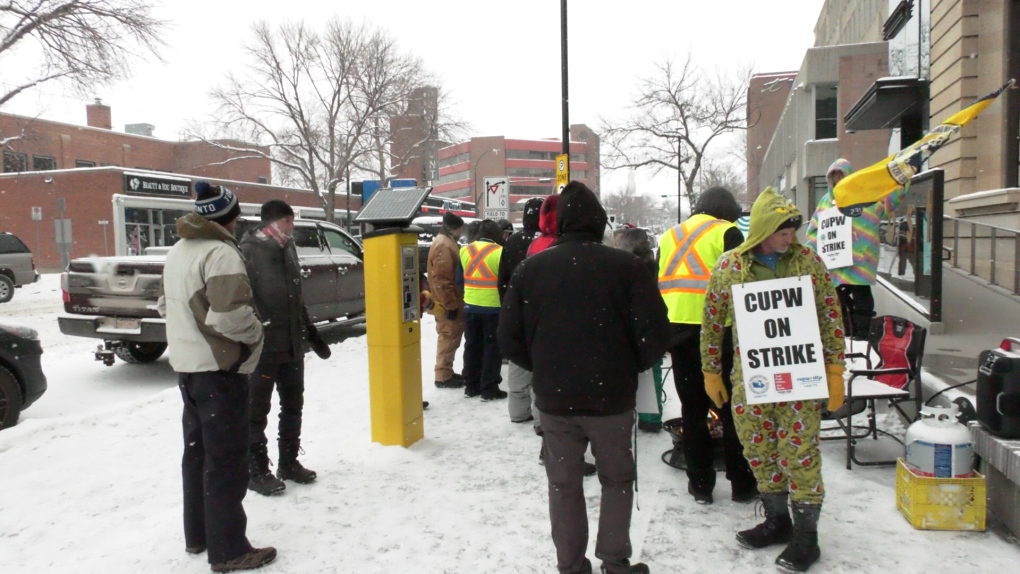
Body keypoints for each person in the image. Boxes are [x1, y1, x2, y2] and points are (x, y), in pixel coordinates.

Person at [499, 181, 671, 574]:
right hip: (611, 399)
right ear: (598, 222)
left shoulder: (531, 269)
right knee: (616, 480)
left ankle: (571, 566)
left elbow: (508, 339)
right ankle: (615, 562)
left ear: (560, 224)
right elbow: (655, 332)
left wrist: (544, 365)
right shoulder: (627, 267)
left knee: (563, 485)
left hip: (556, 401)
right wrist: (630, 365)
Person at [701, 187, 846, 573]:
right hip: (752, 379)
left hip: (801, 375)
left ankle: (806, 537)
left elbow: (831, 317)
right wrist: (710, 368)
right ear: (765, 228)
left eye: (793, 231)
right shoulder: (731, 266)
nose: (790, 238)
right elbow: (712, 322)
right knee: (759, 450)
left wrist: (835, 370)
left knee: (799, 453)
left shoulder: (808, 262)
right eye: (783, 231)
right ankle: (778, 521)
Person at [157, 181, 276, 572]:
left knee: (197, 454)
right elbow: (230, 315)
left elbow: (163, 304)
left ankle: (200, 536)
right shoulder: (220, 254)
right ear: (231, 216)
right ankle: (229, 551)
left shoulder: (178, 251)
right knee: (225, 460)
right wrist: (256, 334)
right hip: (219, 371)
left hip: (189, 370)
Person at [657, 186, 757, 505]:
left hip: (678, 331)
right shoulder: (727, 231)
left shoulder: (669, 235)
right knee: (731, 409)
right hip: (719, 332)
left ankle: (700, 484)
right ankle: (741, 483)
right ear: (727, 213)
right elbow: (744, 282)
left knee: (693, 410)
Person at [239, 200, 328, 497]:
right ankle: (257, 470)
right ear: (272, 223)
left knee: (293, 405)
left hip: (291, 344)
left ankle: (288, 462)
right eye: (288, 221)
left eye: (293, 220)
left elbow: (295, 296)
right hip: (264, 348)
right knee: (256, 412)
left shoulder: (288, 248)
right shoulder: (249, 251)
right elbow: (245, 301)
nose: (292, 226)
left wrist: (311, 334)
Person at [806, 158, 907, 339]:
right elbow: (813, 229)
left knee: (862, 300)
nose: (838, 179)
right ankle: (845, 331)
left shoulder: (866, 196)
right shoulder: (825, 202)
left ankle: (862, 334)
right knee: (836, 300)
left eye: (841, 175)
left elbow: (889, 200)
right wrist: (812, 252)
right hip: (836, 260)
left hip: (860, 259)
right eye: (834, 176)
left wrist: (903, 177)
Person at [613, 228, 666, 434]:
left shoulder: (623, 266)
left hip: (625, 324)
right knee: (651, 371)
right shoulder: (652, 264)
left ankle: (622, 413)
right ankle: (651, 417)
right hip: (649, 324)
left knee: (623, 371)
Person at [497, 198, 544, 424]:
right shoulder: (548, 241)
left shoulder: (512, 241)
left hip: (516, 310)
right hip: (541, 312)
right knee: (540, 363)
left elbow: (502, 278)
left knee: (518, 360)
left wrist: (507, 306)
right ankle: (539, 415)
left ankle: (517, 412)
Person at [460, 219, 508, 400]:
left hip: (470, 306)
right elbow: (504, 280)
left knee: (472, 345)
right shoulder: (500, 252)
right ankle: (489, 388)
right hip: (492, 307)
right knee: (491, 348)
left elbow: (460, 278)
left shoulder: (465, 250)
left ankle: (471, 385)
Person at [428, 212, 468, 389]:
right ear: (455, 228)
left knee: (450, 336)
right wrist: (451, 305)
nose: (461, 232)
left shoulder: (443, 242)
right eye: (460, 229)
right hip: (448, 301)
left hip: (447, 299)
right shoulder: (445, 245)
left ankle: (446, 371)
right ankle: (443, 375)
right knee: (448, 336)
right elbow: (442, 279)